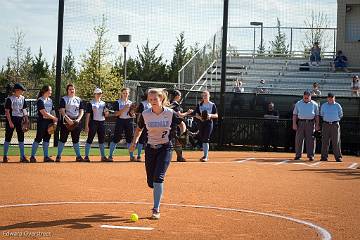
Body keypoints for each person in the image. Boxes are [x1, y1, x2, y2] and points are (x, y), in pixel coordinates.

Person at [129, 88, 186, 220]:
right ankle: (155, 188)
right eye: (150, 99)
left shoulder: (170, 113)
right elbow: (139, 129)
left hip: (165, 148)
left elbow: (182, 125)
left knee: (158, 178)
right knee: (151, 182)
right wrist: (134, 143)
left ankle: (156, 209)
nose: (153, 101)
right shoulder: (145, 114)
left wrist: (180, 134)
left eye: (155, 99)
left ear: (162, 99)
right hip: (150, 149)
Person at [56, 84, 85, 162]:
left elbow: (81, 111)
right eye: (70, 89)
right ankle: (58, 156)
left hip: (76, 121)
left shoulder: (78, 99)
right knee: (62, 139)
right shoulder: (64, 99)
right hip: (66, 121)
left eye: (73, 89)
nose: (72, 90)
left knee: (76, 140)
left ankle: (78, 156)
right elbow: (62, 110)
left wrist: (78, 119)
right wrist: (67, 119)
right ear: (67, 91)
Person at [30, 85, 58, 163]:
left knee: (47, 139)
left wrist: (54, 121)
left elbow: (52, 111)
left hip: (49, 122)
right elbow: (43, 113)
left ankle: (46, 157)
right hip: (42, 122)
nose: (51, 92)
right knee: (38, 138)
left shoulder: (50, 100)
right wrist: (54, 118)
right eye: (50, 90)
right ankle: (32, 156)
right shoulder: (40, 100)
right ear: (45, 91)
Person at [3, 83, 29, 163]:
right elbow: (7, 111)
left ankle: (22, 156)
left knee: (21, 138)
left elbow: (24, 109)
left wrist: (26, 120)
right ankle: (5, 156)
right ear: (17, 90)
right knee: (8, 137)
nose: (22, 91)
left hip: (20, 119)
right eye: (21, 90)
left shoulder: (22, 98)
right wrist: (10, 122)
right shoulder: (10, 99)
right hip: (12, 119)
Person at [108, 87, 135, 161]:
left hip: (128, 121)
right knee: (116, 138)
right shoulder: (117, 102)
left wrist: (132, 114)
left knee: (129, 139)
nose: (125, 94)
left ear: (128, 94)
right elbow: (116, 114)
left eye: (126, 93)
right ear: (121, 94)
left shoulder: (131, 103)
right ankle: (110, 156)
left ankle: (131, 156)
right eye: (124, 93)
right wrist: (124, 109)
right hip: (120, 121)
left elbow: (132, 114)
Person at [84, 88, 110, 162]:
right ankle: (86, 156)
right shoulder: (91, 103)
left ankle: (103, 156)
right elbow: (88, 115)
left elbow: (106, 115)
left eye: (100, 93)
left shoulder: (104, 103)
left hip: (101, 122)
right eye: (98, 93)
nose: (99, 95)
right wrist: (86, 126)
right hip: (93, 123)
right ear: (94, 94)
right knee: (90, 139)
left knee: (101, 140)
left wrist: (106, 113)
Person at [292, 90, 320, 161]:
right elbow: (295, 114)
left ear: (310, 97)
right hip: (300, 123)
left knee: (311, 140)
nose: (306, 99)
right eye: (305, 98)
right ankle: (298, 155)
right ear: (303, 96)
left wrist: (317, 125)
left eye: (307, 98)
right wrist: (294, 124)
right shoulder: (298, 103)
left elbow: (317, 116)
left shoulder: (315, 104)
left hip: (311, 123)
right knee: (299, 140)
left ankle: (311, 155)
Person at [169, 90, 193, 162]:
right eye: (179, 96)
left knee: (174, 141)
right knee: (175, 141)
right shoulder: (175, 104)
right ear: (177, 96)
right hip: (174, 125)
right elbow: (180, 115)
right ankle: (179, 157)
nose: (180, 97)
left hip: (169, 124)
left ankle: (179, 157)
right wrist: (188, 112)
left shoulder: (169, 103)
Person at [195, 90, 218, 162]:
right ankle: (205, 155)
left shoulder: (212, 105)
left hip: (208, 122)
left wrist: (210, 115)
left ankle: (206, 156)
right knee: (202, 138)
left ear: (209, 96)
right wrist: (200, 117)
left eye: (206, 95)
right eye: (203, 95)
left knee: (206, 138)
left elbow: (216, 115)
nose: (204, 97)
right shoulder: (200, 104)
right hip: (201, 123)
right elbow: (196, 114)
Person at [320, 93, 343, 162]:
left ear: (334, 98)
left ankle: (338, 157)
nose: (331, 99)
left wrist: (334, 120)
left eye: (332, 98)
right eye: (329, 98)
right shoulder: (324, 105)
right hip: (326, 124)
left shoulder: (337, 105)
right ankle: (324, 157)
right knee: (325, 141)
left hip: (335, 124)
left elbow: (340, 115)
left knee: (336, 141)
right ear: (327, 98)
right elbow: (322, 115)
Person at [135, 90, 151, 161]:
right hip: (144, 124)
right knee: (141, 140)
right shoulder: (143, 104)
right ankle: (138, 155)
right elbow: (139, 114)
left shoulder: (153, 103)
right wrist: (138, 123)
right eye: (149, 94)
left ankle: (149, 155)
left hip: (151, 124)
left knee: (150, 140)